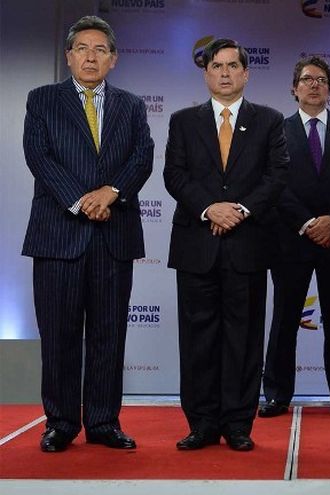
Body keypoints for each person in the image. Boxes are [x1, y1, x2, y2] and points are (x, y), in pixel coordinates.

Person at [22, 15, 153, 453]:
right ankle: (60, 422)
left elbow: (142, 156)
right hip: (58, 235)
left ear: (113, 59)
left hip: (113, 236)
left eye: (100, 49)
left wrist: (111, 192)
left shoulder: (131, 105)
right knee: (59, 335)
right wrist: (81, 201)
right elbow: (39, 156)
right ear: (68, 56)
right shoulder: (43, 99)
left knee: (107, 335)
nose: (90, 57)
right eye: (82, 48)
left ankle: (103, 421)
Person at [164, 38, 288, 451]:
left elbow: (277, 175)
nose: (225, 73)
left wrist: (239, 210)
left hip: (247, 245)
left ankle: (237, 424)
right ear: (206, 74)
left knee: (244, 339)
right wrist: (210, 209)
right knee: (197, 339)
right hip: (196, 244)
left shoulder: (269, 120)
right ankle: (201, 424)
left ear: (246, 74)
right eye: (217, 66)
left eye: (233, 66)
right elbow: (174, 175)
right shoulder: (184, 121)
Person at [259, 56, 330, 419]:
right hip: (290, 239)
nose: (314, 85)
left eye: (321, 80)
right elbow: (274, 183)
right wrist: (308, 223)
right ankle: (277, 394)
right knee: (284, 319)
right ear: (294, 88)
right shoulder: (277, 130)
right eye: (307, 79)